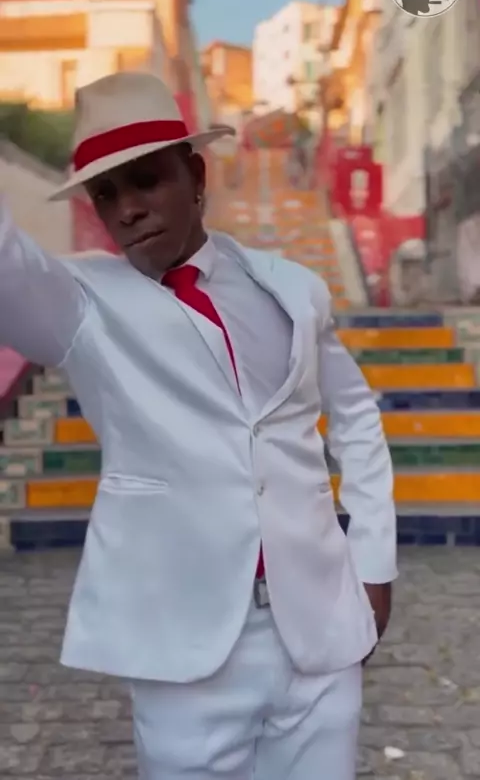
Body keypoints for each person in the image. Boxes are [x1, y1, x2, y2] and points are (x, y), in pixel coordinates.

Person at [0, 69, 397, 780]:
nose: (127, 209)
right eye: (106, 194)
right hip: (186, 650)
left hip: (321, 629)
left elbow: (357, 415)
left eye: (145, 180)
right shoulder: (81, 302)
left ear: (196, 176)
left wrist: (373, 562)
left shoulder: (293, 288)